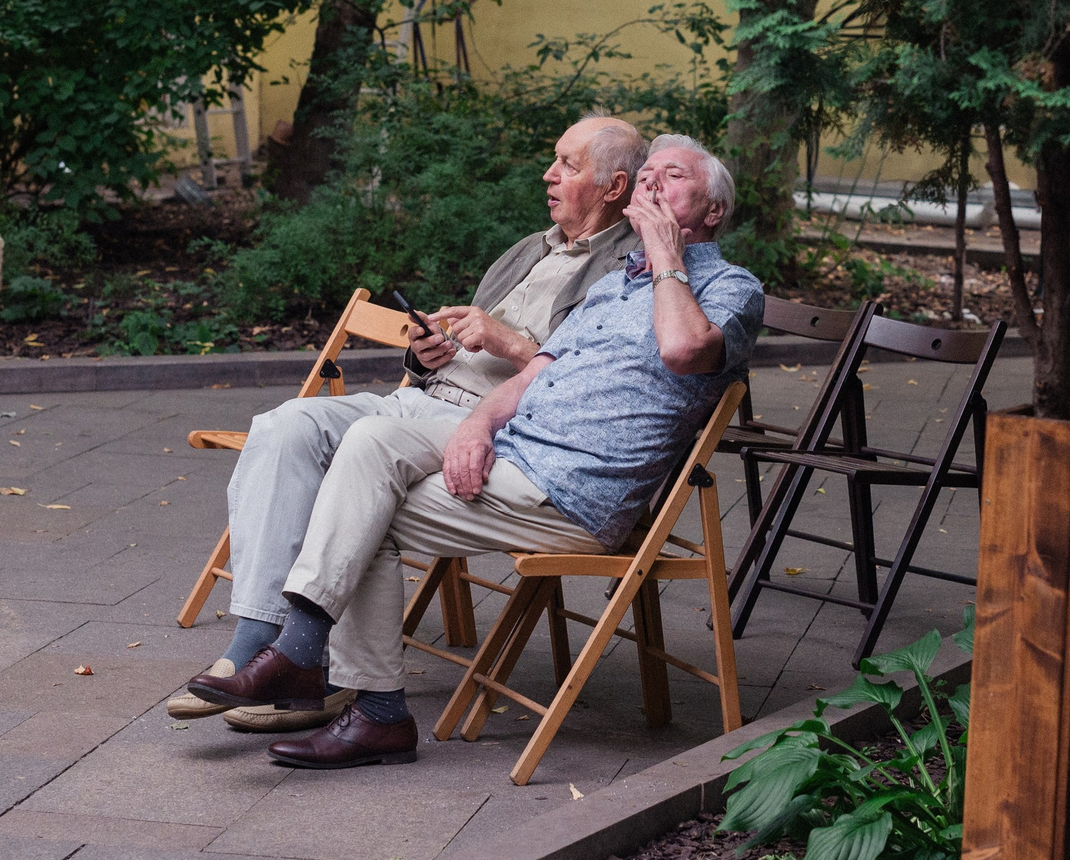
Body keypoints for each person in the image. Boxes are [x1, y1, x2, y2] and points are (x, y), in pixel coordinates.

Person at [186, 134, 765, 770]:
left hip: (573, 490)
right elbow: (531, 374)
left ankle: (341, 687)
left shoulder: (732, 289)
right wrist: (478, 427)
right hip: (515, 446)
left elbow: (684, 351)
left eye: (671, 176)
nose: (652, 184)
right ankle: (339, 687)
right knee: (361, 462)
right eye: (647, 173)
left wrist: (663, 257)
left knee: (359, 507)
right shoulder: (613, 287)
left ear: (712, 213)